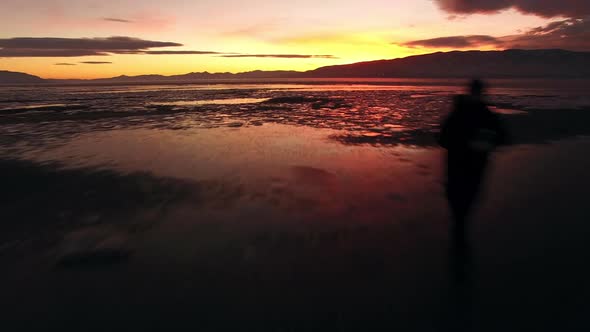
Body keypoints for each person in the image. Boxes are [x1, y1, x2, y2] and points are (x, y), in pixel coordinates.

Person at [439, 79, 508, 252]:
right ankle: (460, 235)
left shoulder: (476, 114)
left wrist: (482, 142)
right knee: (462, 201)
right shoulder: (480, 114)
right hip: (468, 167)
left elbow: (503, 138)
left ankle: (459, 234)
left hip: (466, 167)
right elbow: (443, 138)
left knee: (461, 202)